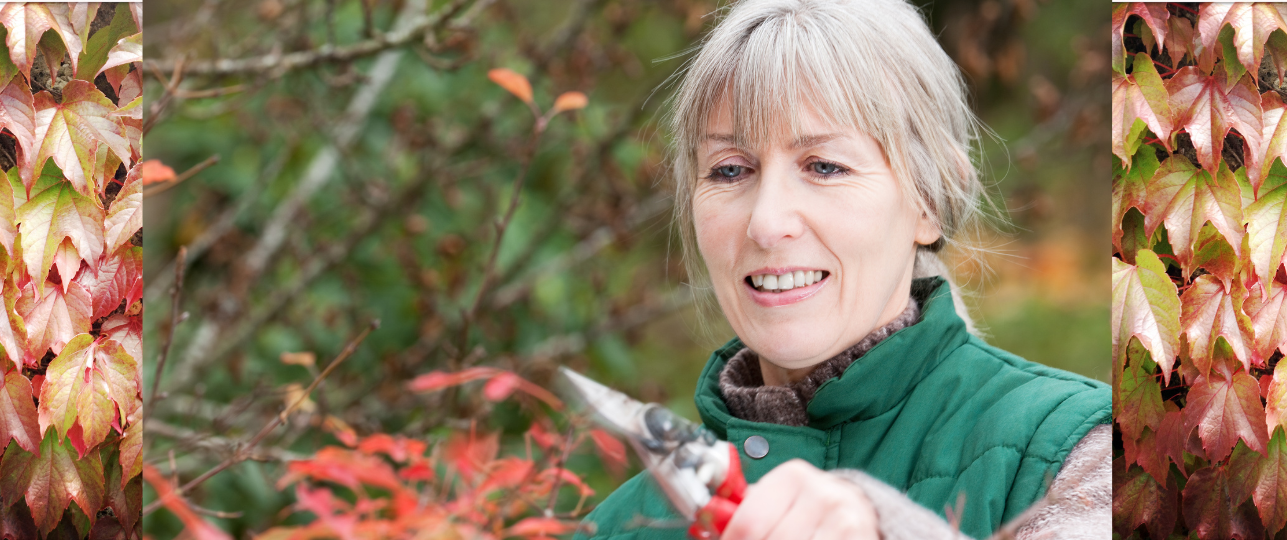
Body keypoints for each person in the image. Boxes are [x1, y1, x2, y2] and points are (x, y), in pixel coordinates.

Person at [573, 0, 1110, 539]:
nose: (766, 222)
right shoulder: (614, 527)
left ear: (929, 201)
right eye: (730, 170)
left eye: (824, 166)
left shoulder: (1082, 454)